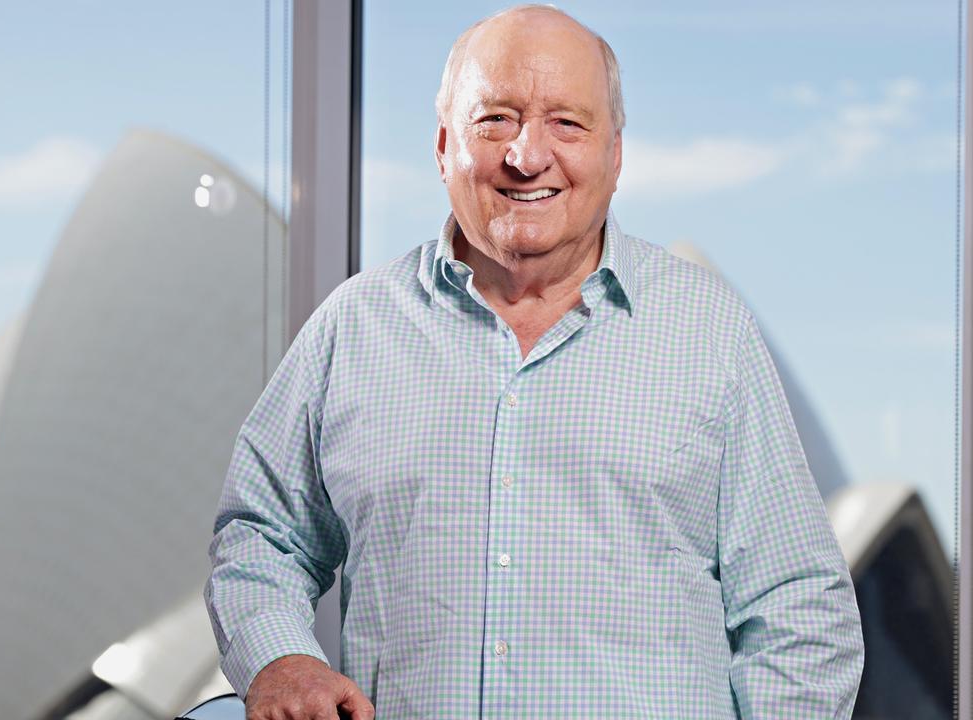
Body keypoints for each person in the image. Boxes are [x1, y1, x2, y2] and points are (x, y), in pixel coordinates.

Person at [203, 4, 864, 719]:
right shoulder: (352, 328)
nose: (526, 155)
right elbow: (258, 533)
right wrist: (279, 656)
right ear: (442, 146)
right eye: (495, 120)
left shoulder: (709, 332)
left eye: (566, 123)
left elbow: (799, 608)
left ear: (615, 156)